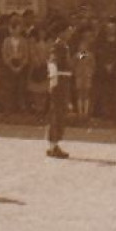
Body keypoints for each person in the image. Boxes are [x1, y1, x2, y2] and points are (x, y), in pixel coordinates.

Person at [43, 23, 72, 159]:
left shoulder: (65, 46)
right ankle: (53, 145)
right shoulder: (58, 46)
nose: (69, 33)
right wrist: (53, 80)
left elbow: (74, 59)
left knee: (60, 112)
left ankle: (54, 144)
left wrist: (83, 53)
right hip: (59, 81)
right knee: (57, 113)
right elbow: (52, 62)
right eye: (67, 30)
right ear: (61, 32)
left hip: (64, 79)